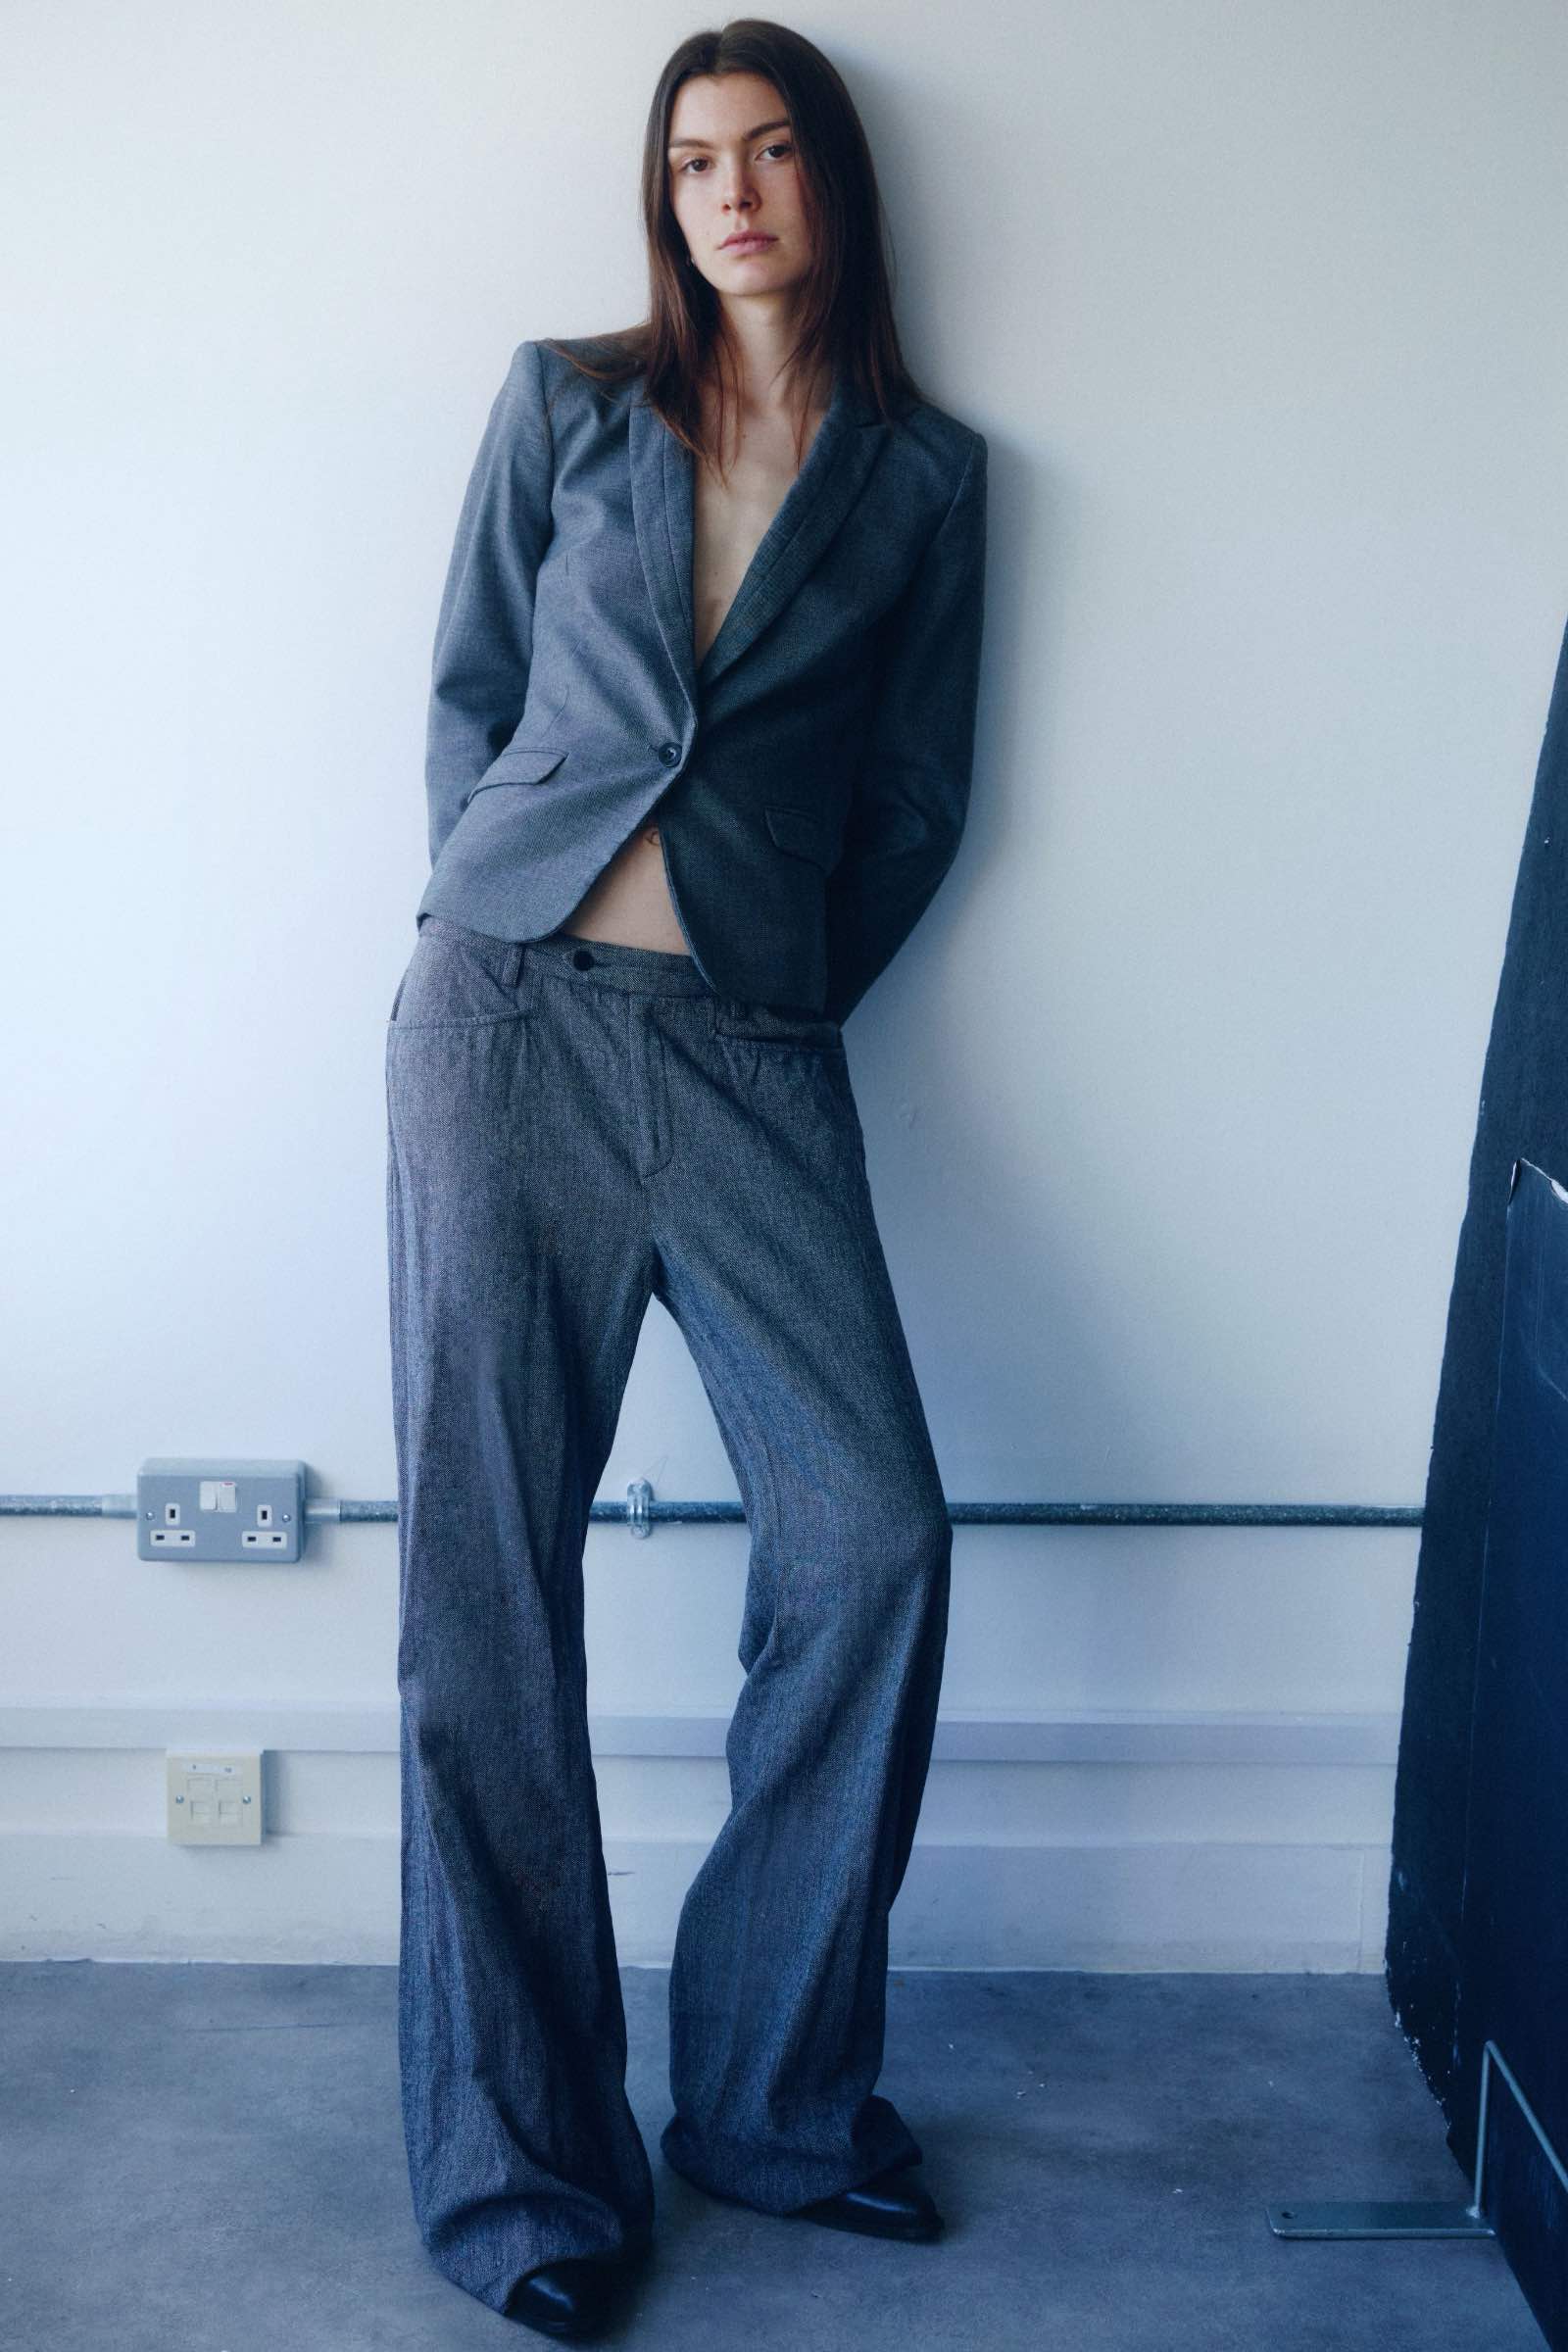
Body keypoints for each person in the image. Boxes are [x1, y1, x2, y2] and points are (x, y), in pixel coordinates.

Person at [384, 19, 989, 2340]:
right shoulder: (568, 402)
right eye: (690, 161)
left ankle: (767, 2100)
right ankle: (523, 2184)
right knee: (485, 1595)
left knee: (871, 1536)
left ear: (830, 181)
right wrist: (486, 906)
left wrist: (786, 983)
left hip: (749, 1057)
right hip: (506, 1026)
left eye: (766, 153)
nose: (726, 194)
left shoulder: (923, 480)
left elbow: (914, 798)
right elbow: (468, 689)